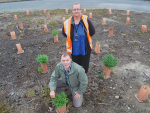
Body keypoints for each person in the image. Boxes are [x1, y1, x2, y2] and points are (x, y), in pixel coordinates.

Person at [62, 3, 95, 73]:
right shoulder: (67, 22)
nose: (76, 11)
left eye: (78, 9)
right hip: (73, 50)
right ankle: (76, 80)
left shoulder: (86, 20)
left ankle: (83, 81)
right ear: (72, 11)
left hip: (85, 49)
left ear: (81, 10)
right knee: (75, 68)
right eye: (74, 9)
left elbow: (92, 31)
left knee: (84, 69)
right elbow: (64, 33)